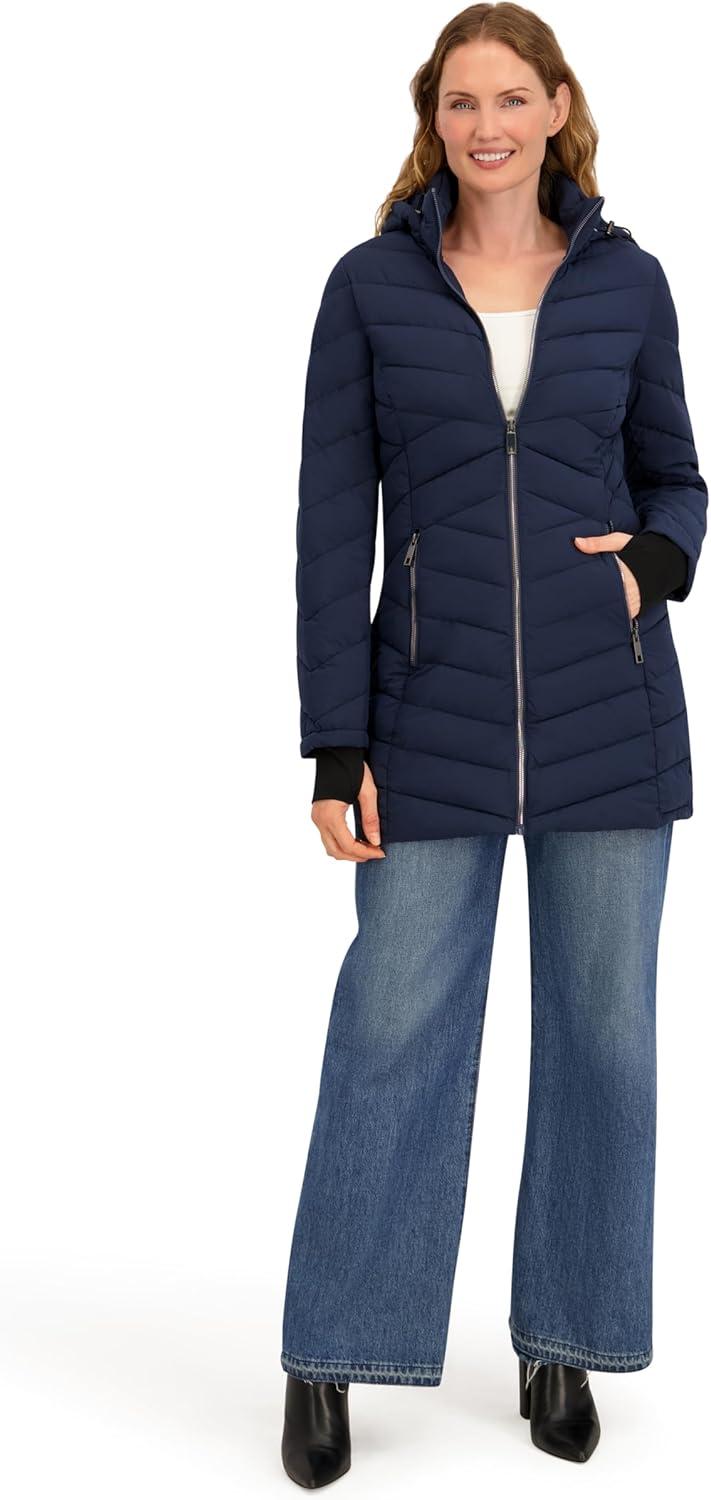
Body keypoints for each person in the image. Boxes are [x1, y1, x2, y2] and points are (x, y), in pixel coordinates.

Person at [280, 2, 707, 1482]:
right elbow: (330, 527)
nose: (487, 126)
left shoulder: (628, 281)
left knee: (606, 1043)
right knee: (391, 1030)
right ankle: (333, 1351)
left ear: (556, 108)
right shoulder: (371, 290)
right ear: (434, 118)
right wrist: (336, 744)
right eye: (461, 102)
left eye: (511, 98)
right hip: (428, 714)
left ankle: (564, 1339)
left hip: (611, 717)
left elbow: (678, 476)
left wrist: (653, 564)